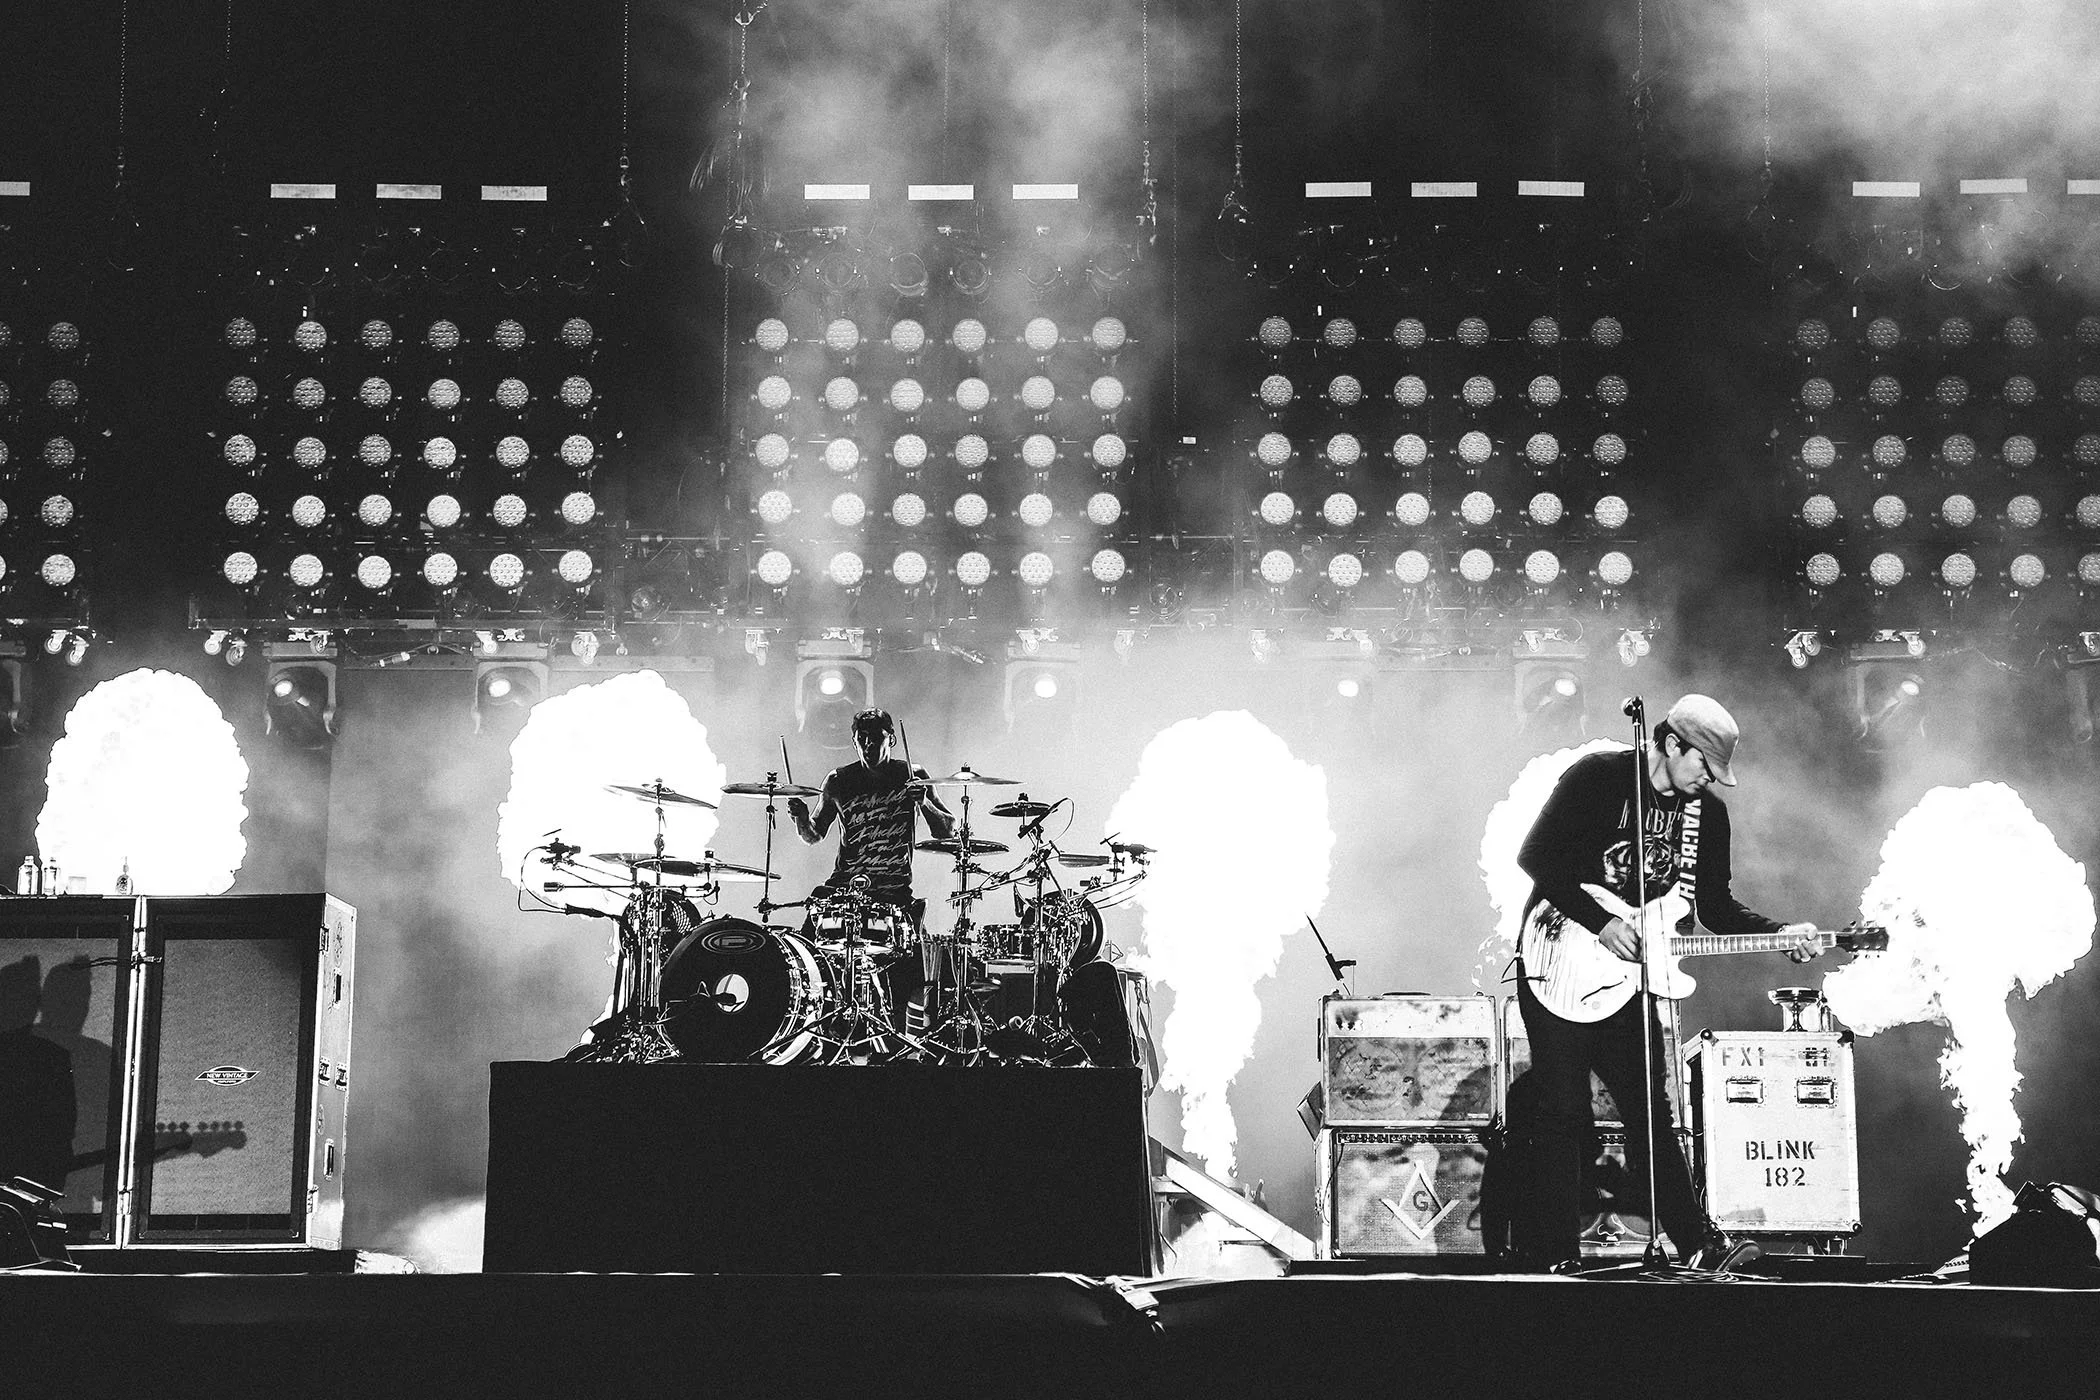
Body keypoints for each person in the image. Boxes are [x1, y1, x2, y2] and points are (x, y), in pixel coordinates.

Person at [1512, 693, 1819, 1271]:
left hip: (1630, 977)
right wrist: (1600, 924)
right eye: (1703, 762)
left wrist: (1781, 932)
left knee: (1650, 1110)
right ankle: (1553, 1260)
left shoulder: (1707, 816)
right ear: (1669, 743)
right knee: (1562, 1110)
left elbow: (1715, 908)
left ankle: (1701, 1245)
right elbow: (1536, 857)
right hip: (1557, 954)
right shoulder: (1598, 778)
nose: (1709, 779)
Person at [788, 709, 956, 1029]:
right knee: (805, 947)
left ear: (890, 739)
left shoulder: (912, 774)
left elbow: (947, 829)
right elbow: (815, 834)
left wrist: (924, 803)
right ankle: (803, 1019)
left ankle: (905, 1035)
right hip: (845, 886)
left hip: (892, 889)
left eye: (874, 739)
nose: (867, 746)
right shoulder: (838, 781)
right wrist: (799, 819)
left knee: (916, 972)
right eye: (860, 740)